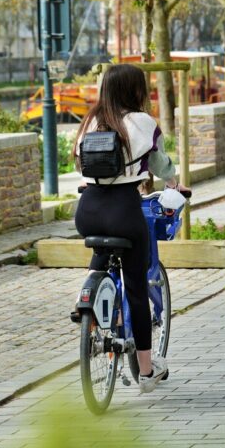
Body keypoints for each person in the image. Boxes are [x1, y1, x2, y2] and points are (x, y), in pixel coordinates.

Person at [72, 64, 189, 393]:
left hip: (88, 211)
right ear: (135, 91)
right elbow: (160, 164)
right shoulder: (143, 123)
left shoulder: (89, 122)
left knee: (102, 254)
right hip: (124, 211)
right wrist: (174, 183)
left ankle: (90, 308)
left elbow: (81, 165)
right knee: (136, 290)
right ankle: (147, 372)